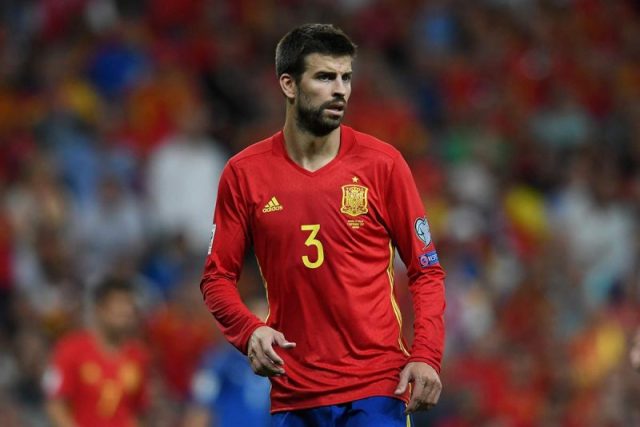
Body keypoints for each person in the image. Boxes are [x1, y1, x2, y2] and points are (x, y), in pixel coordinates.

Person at [200, 23, 446, 427]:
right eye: (325, 77)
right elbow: (215, 278)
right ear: (289, 85)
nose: (340, 90)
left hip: (376, 388)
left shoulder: (383, 165)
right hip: (295, 391)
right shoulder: (244, 174)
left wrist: (426, 354)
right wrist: (249, 332)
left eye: (346, 78)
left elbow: (426, 270)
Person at [43, 277, 149, 427]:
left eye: (129, 305)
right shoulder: (70, 349)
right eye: (119, 304)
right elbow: (55, 405)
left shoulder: (138, 356)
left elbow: (139, 411)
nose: (125, 311)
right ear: (99, 309)